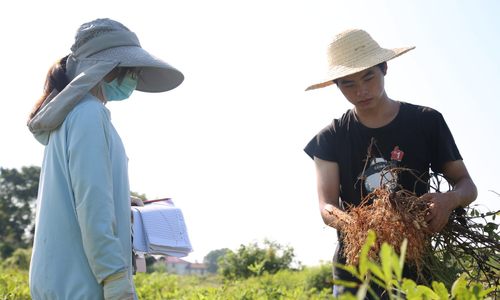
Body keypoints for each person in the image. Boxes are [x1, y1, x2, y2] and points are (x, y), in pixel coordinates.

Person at [304, 29, 477, 298]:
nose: (361, 90)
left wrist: (448, 200)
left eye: (368, 77)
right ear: (336, 85)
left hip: (416, 267)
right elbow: (326, 206)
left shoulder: (426, 122)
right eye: (348, 84)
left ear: (384, 68)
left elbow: (467, 185)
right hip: (355, 270)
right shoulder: (330, 137)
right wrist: (356, 226)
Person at [27, 18, 183, 299]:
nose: (134, 80)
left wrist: (120, 200)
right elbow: (92, 205)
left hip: (60, 281)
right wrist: (114, 277)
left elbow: (80, 194)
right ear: (108, 70)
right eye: (132, 71)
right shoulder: (89, 114)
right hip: (83, 284)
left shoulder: (69, 116)